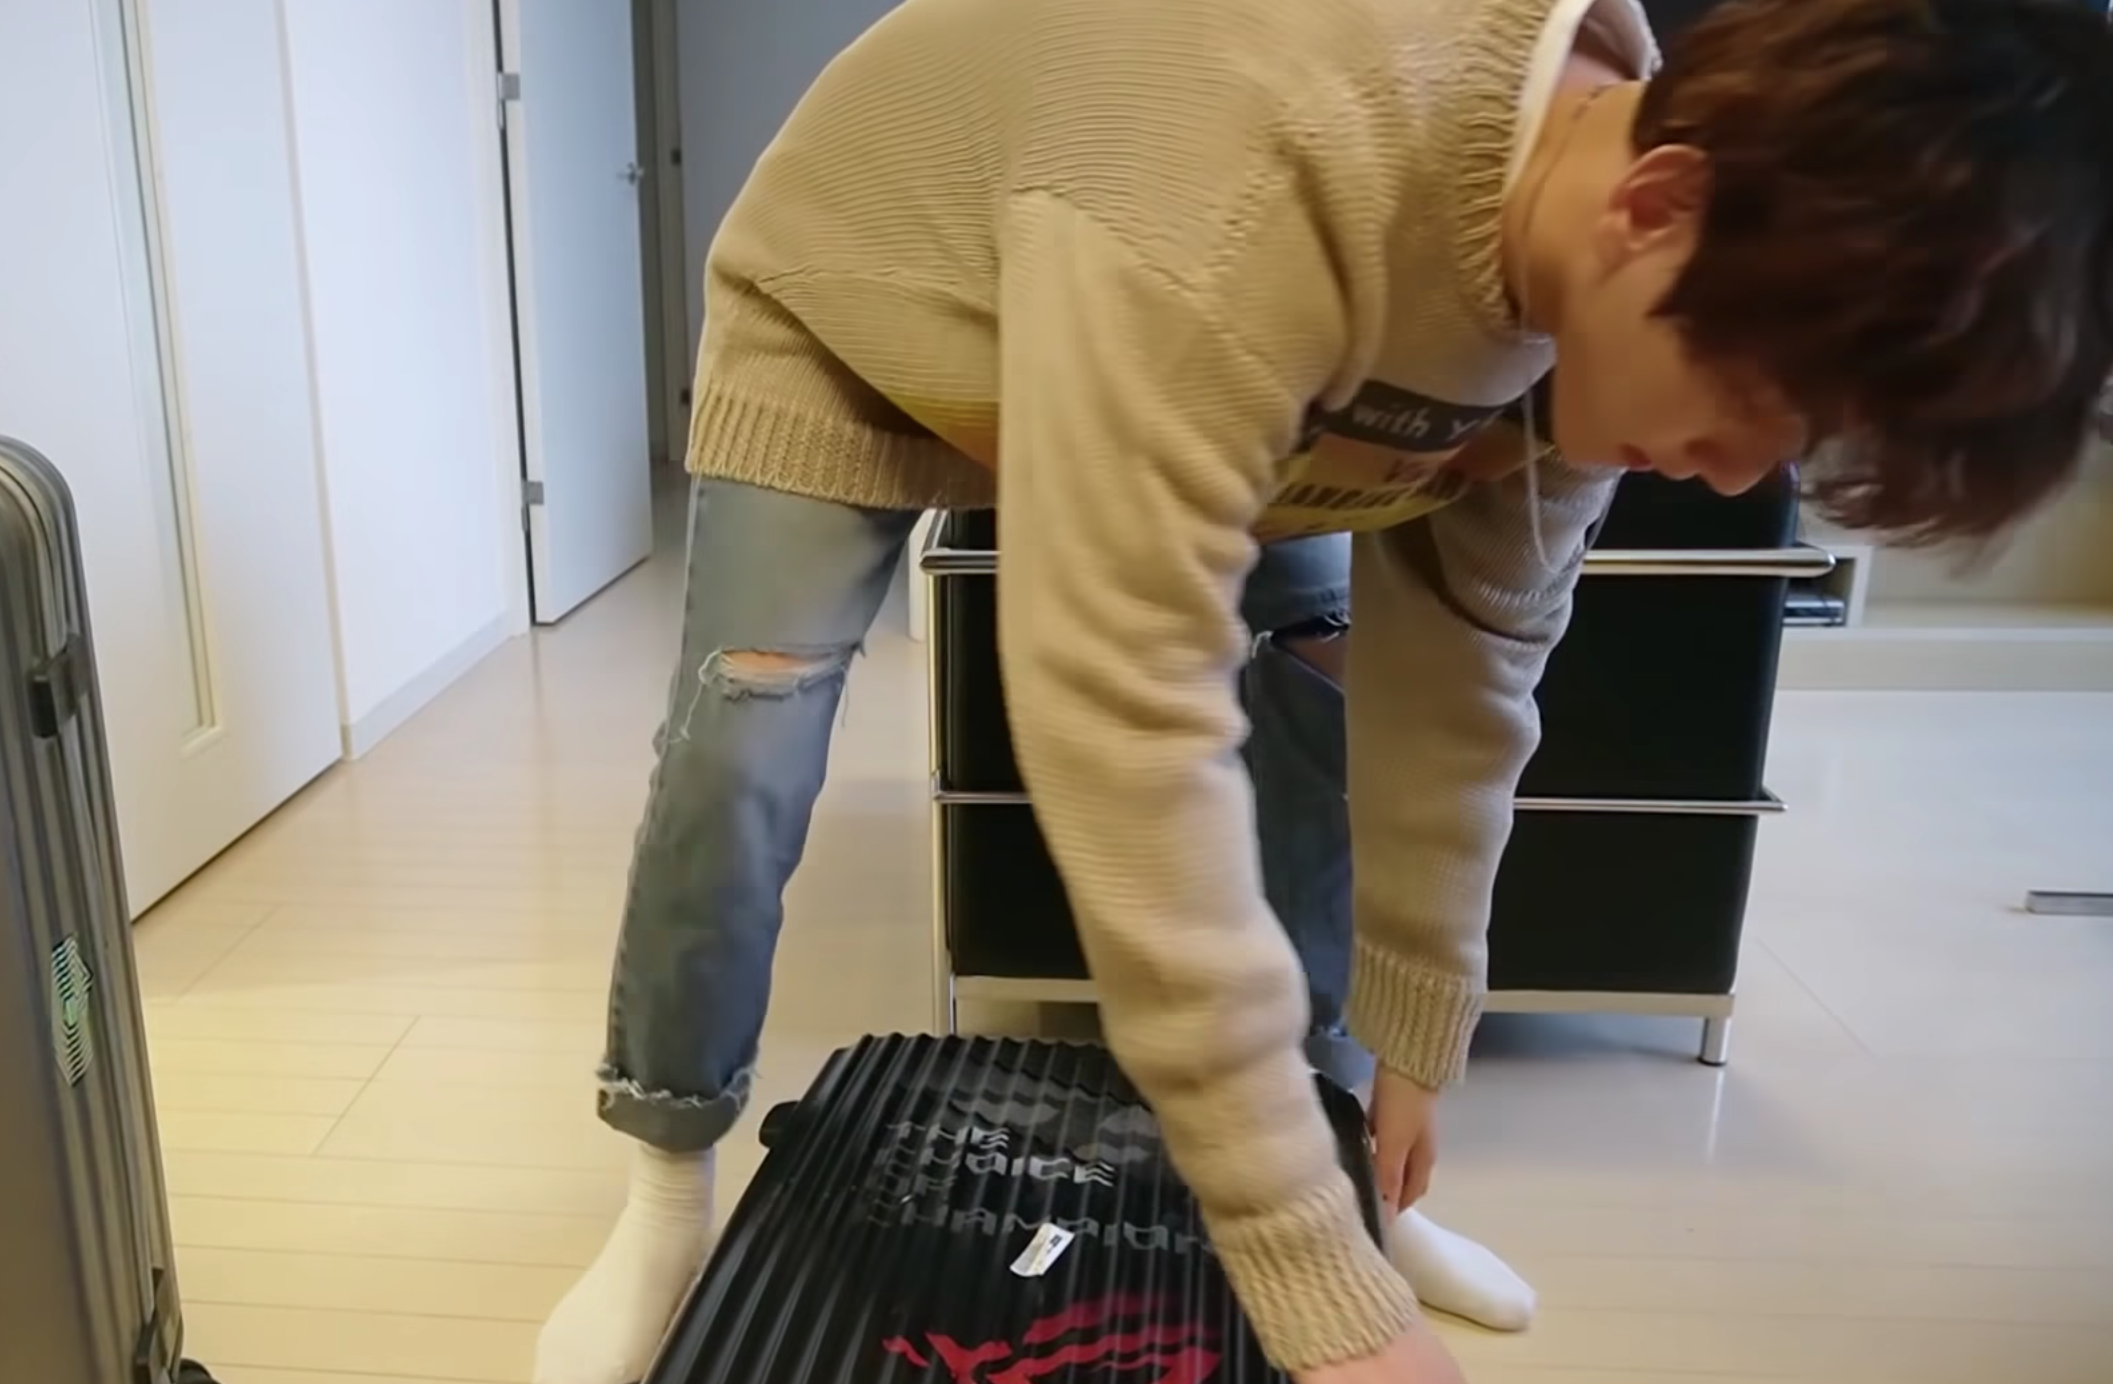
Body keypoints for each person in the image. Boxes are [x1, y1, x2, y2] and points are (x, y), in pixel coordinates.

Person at [535, 0, 2113, 1380]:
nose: (1734, 470)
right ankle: (664, 1180)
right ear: (1657, 206)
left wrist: (1412, 1050)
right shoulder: (1250, 178)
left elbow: (1467, 681)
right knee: (748, 740)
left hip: (1208, 353)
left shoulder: (1604, 272)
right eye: (1755, 402)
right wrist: (1312, 1290)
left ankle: (1354, 1176)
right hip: (873, 306)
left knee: (1311, 692)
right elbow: (1119, 723)